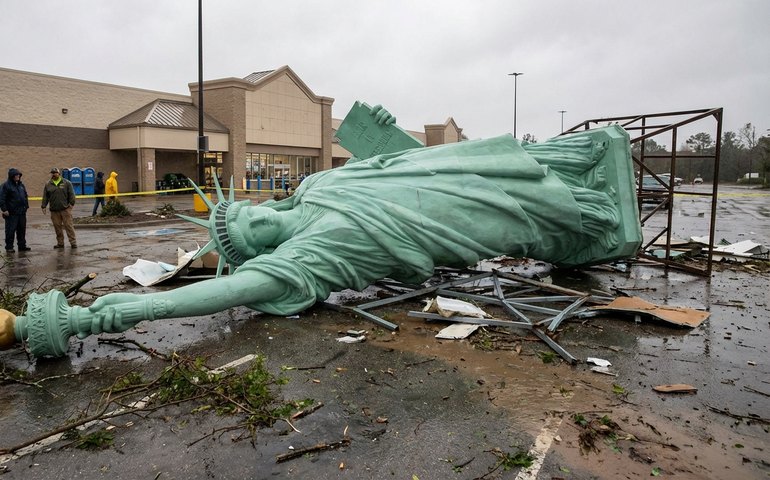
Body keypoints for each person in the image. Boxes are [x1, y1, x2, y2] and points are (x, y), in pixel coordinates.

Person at [1, 104, 642, 357]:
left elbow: (392, 160)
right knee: (508, 214)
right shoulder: (308, 255)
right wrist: (114, 313)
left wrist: (379, 134)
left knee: (486, 170)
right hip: (434, 221)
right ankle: (593, 224)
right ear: (262, 248)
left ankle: (577, 161)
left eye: (247, 211)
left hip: (434, 176)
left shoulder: (312, 188)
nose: (256, 214)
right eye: (250, 230)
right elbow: (221, 293)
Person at [41, 168, 77, 249]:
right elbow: (45, 196)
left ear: (59, 173)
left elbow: (72, 194)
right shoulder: (48, 184)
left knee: (69, 226)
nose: (53, 174)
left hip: (65, 209)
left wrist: (71, 205)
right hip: (54, 211)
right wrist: (43, 206)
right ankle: (60, 243)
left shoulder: (67, 183)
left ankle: (73, 242)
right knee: (57, 227)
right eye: (52, 173)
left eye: (55, 173)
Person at [0, 168, 30, 253]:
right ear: (11, 176)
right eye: (16, 175)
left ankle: (22, 246)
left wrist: (26, 207)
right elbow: (2, 198)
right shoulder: (6, 186)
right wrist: (4, 209)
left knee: (21, 230)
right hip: (11, 213)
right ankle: (9, 247)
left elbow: (25, 196)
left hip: (21, 212)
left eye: (19, 175)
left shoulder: (21, 185)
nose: (18, 176)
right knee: (10, 230)